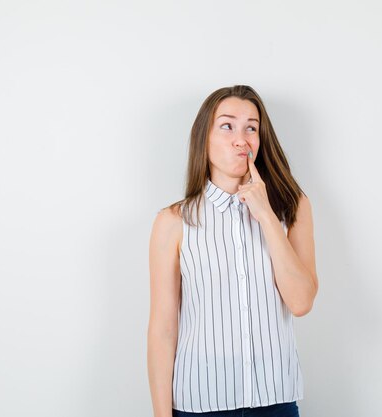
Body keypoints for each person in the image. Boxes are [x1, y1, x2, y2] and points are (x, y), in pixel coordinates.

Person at [148, 85, 318, 417]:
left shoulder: (293, 207)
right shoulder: (173, 222)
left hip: (275, 402)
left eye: (251, 127)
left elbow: (301, 302)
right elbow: (163, 330)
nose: (241, 139)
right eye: (227, 125)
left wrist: (266, 216)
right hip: (199, 403)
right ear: (204, 138)